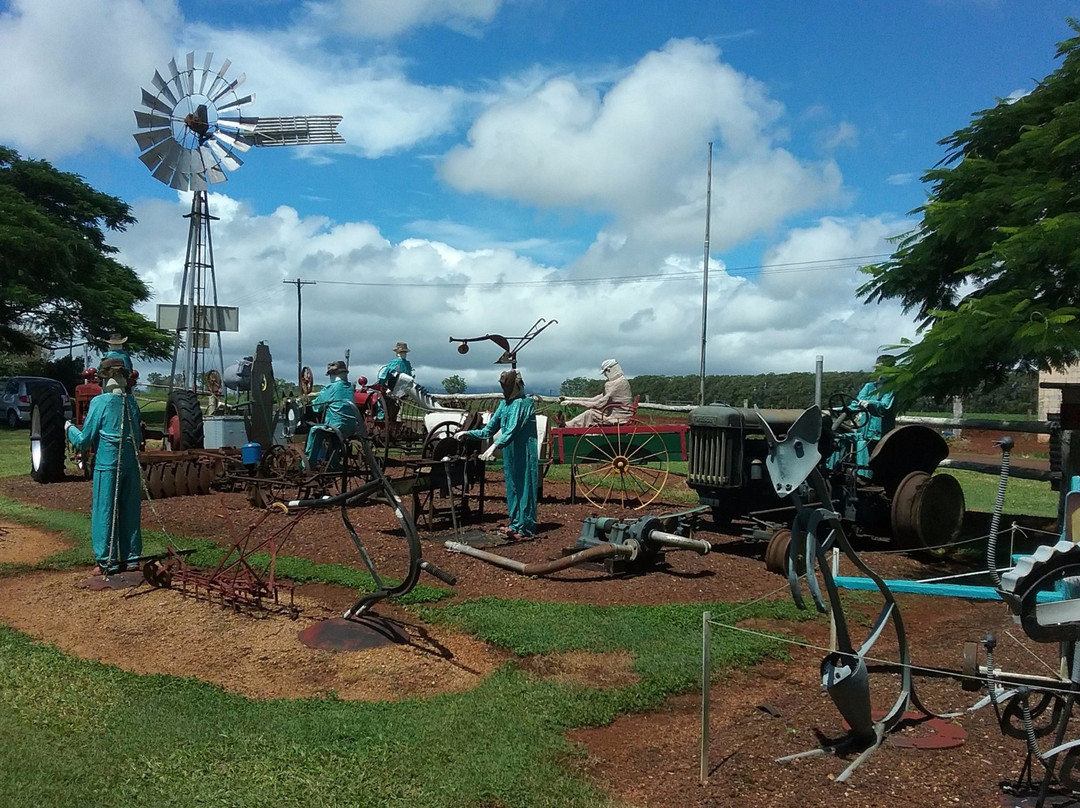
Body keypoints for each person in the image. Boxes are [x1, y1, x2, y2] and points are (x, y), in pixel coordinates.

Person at [65, 357, 143, 575]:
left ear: (104, 379)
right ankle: (132, 558)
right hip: (130, 464)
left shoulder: (100, 403)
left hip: (107, 465)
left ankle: (106, 559)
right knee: (130, 510)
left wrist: (69, 428)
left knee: (105, 509)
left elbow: (84, 440)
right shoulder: (132, 403)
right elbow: (137, 436)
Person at [459, 370, 538, 540]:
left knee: (525, 486)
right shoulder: (504, 405)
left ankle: (526, 527)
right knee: (512, 486)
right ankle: (515, 522)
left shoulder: (525, 403)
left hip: (524, 451)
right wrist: (468, 433)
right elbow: (489, 429)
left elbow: (512, 429)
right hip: (510, 451)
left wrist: (494, 446)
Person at [831, 354, 897, 475]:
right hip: (863, 431)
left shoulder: (892, 389)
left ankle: (864, 476)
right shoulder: (869, 386)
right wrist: (840, 409)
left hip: (879, 433)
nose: (877, 372)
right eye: (876, 368)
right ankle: (833, 470)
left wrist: (870, 403)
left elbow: (884, 406)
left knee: (862, 444)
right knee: (838, 438)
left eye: (881, 369)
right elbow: (855, 404)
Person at [305, 360, 361, 469]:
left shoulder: (330, 388)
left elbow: (317, 407)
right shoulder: (349, 387)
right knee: (334, 437)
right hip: (351, 426)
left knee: (315, 431)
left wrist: (308, 402)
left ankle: (308, 465)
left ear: (333, 375)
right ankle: (334, 464)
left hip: (336, 425)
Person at [560, 359, 634, 427]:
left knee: (590, 413)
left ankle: (567, 426)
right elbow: (593, 399)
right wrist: (570, 399)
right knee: (590, 413)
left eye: (605, 372)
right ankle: (568, 425)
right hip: (617, 417)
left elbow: (597, 404)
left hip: (619, 419)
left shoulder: (617, 385)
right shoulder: (620, 382)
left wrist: (571, 403)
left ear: (609, 370)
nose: (605, 375)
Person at [375, 342, 414, 423]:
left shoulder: (394, 363)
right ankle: (393, 416)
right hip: (403, 392)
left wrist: (380, 384)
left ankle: (381, 416)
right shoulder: (408, 364)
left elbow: (385, 375)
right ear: (405, 353)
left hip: (391, 389)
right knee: (396, 404)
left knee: (380, 399)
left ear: (397, 352)